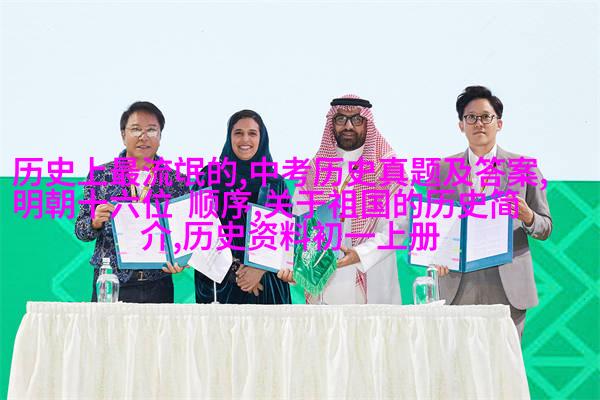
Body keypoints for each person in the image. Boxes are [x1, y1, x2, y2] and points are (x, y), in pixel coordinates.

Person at [433, 86, 552, 338]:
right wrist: (437, 256)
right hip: (459, 283)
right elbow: (433, 227)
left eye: (486, 117)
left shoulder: (524, 168)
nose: (479, 123)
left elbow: (545, 226)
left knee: (505, 360)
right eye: (471, 117)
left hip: (507, 285)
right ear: (461, 125)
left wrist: (528, 216)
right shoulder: (442, 170)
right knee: (460, 358)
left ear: (499, 123)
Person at [279, 95, 409, 304]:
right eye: (341, 119)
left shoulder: (388, 167)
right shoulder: (315, 170)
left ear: (367, 123)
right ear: (332, 123)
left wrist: (360, 254)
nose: (348, 126)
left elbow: (398, 227)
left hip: (371, 276)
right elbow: (299, 224)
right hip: (323, 283)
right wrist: (292, 266)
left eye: (357, 119)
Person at [75, 101, 189, 303]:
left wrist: (181, 260)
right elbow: (81, 231)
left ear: (160, 136)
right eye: (136, 129)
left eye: (151, 130)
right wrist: (94, 222)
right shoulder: (100, 176)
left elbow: (185, 234)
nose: (143, 137)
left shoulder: (176, 181)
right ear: (123, 135)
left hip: (158, 283)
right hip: (110, 281)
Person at [194, 109, 291, 304]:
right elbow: (197, 229)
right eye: (238, 133)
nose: (245, 139)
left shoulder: (274, 182)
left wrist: (259, 269)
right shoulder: (209, 177)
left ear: (261, 138)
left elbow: (285, 237)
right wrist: (237, 272)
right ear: (229, 137)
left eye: (252, 133)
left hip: (266, 284)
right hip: (219, 284)